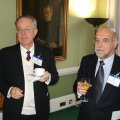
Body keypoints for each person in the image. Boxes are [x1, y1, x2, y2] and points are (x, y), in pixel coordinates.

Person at [0, 15, 59, 120]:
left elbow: (55, 76)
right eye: (19, 29)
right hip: (14, 110)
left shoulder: (46, 52)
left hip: (40, 109)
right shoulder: (5, 54)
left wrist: (48, 76)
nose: (23, 33)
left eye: (27, 29)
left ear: (35, 32)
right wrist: (9, 90)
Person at [73, 26, 120, 120]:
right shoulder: (86, 60)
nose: (99, 45)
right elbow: (76, 84)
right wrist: (78, 90)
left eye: (105, 40)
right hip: (85, 116)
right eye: (97, 40)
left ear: (115, 44)